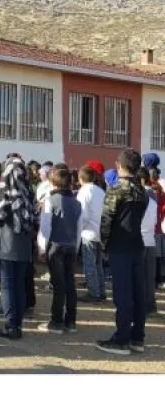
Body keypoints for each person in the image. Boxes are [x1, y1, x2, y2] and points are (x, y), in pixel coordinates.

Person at [96, 149, 148, 356]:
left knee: (123, 294)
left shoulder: (116, 189)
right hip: (137, 244)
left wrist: (104, 244)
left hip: (120, 246)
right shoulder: (141, 190)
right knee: (138, 293)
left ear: (120, 165)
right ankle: (138, 337)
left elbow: (106, 221)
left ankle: (121, 339)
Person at [0, 157, 36, 340]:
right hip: (24, 244)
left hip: (7, 243)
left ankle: (10, 326)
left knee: (7, 286)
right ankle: (18, 324)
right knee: (19, 285)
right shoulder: (28, 192)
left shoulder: (3, 189)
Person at [37, 166, 82, 334]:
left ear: (52, 183)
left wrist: (42, 248)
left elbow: (46, 227)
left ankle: (56, 321)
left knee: (58, 285)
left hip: (55, 246)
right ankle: (71, 321)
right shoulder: (77, 203)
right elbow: (79, 228)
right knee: (70, 283)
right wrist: (76, 248)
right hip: (71, 245)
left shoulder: (50, 201)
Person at [77, 166, 107, 302]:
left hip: (88, 232)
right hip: (100, 232)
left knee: (90, 264)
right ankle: (101, 291)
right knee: (98, 264)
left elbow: (83, 215)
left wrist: (78, 232)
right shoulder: (100, 191)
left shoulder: (83, 192)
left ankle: (93, 293)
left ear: (80, 178)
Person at [139, 170, 158, 316]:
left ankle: (141, 306)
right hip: (150, 240)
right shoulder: (153, 197)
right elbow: (155, 221)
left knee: (139, 277)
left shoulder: (140, 196)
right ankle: (151, 306)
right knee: (149, 276)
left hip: (139, 240)